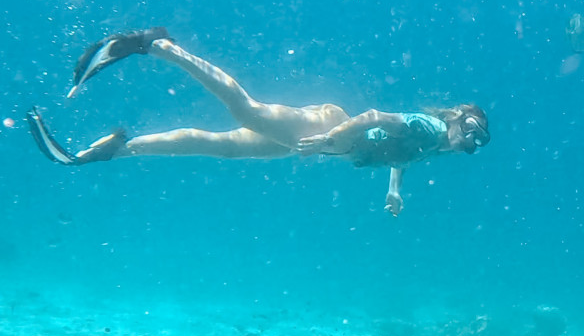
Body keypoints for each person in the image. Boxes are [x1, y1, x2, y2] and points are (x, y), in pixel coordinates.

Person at [27, 28, 489, 216]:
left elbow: (400, 152)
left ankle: (118, 149)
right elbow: (374, 118)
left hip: (326, 137)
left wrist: (394, 189)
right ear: (460, 121)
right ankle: (157, 45)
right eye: (474, 134)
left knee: (223, 146)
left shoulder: (432, 145)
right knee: (244, 111)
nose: (471, 146)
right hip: (324, 130)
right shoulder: (432, 130)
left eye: (477, 145)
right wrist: (332, 137)